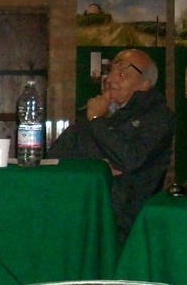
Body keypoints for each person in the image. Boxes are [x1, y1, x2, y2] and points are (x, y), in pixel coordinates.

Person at [48, 48, 175, 242]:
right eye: (110, 71)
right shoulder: (96, 111)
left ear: (145, 84)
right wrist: (98, 166)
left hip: (124, 224)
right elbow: (56, 155)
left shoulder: (157, 117)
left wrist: (98, 120)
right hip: (82, 210)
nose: (110, 78)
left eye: (122, 73)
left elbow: (130, 159)